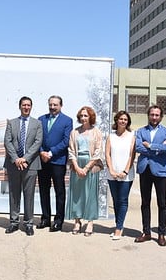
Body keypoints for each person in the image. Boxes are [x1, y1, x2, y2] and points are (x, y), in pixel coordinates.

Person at [3, 96, 43, 235]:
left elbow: (38, 142)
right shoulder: (11, 123)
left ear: (31, 107)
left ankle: (28, 223)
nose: (26, 107)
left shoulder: (37, 124)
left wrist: (25, 158)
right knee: (14, 194)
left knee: (29, 195)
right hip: (14, 164)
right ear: (19, 106)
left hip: (30, 164)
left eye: (28, 105)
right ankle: (14, 222)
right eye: (24, 105)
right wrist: (16, 159)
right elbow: (7, 142)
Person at [134, 104, 166, 246]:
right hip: (145, 169)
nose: (154, 117)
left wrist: (150, 146)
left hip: (160, 170)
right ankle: (146, 232)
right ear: (148, 116)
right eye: (152, 115)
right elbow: (137, 146)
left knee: (162, 203)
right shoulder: (140, 131)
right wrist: (158, 148)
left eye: (157, 115)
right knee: (145, 202)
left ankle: (161, 233)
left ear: (161, 117)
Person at [37, 95, 73, 232]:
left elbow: (66, 141)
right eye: (50, 104)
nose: (52, 107)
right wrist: (41, 152)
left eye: (55, 105)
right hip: (43, 160)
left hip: (58, 161)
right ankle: (45, 218)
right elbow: (37, 138)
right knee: (43, 190)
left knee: (59, 192)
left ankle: (58, 221)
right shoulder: (41, 119)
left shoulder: (67, 120)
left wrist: (51, 153)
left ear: (60, 106)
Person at [66, 106, 104, 236]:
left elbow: (98, 151)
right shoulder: (74, 132)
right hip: (77, 164)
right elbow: (71, 150)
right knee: (77, 194)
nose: (83, 118)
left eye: (86, 116)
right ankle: (77, 221)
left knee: (90, 194)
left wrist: (86, 168)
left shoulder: (96, 132)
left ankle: (90, 222)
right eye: (81, 116)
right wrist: (76, 167)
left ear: (91, 117)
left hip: (91, 166)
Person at [105, 110, 136, 241]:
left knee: (123, 200)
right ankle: (119, 224)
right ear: (116, 120)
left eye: (125, 119)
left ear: (128, 122)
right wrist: (111, 170)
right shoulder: (110, 136)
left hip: (126, 175)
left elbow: (132, 155)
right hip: (112, 173)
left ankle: (119, 228)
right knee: (115, 200)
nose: (123, 121)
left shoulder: (132, 136)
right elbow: (107, 154)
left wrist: (125, 171)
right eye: (121, 119)